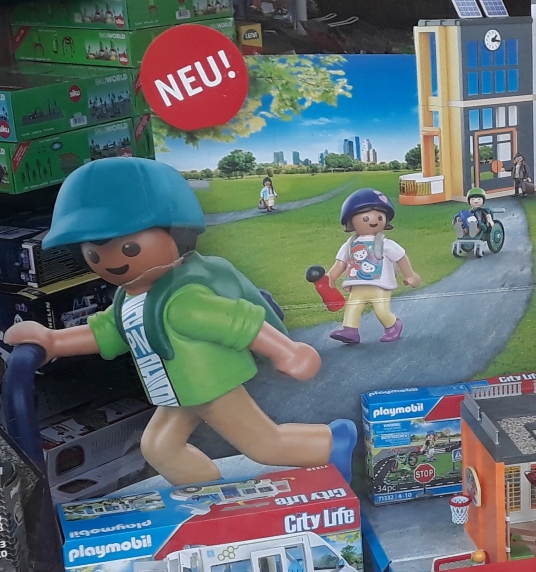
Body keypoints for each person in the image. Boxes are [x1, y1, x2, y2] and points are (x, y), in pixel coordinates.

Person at [4, 158, 357, 486]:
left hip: (211, 387)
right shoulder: (130, 298)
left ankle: (334, 444)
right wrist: (53, 341)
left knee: (264, 444)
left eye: (129, 248)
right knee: (159, 447)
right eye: (94, 253)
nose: (110, 262)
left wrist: (287, 351)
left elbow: (241, 322)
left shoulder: (181, 301)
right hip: (178, 391)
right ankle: (207, 493)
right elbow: (106, 332)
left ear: (177, 234)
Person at [327, 189, 420, 345]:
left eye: (380, 217)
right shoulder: (350, 244)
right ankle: (350, 330)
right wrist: (331, 277)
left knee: (382, 311)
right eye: (365, 217)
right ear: (351, 221)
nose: (373, 221)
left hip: (379, 285)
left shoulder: (385, 244)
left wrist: (409, 275)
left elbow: (401, 257)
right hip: (357, 285)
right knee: (352, 307)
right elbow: (340, 263)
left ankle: (393, 325)